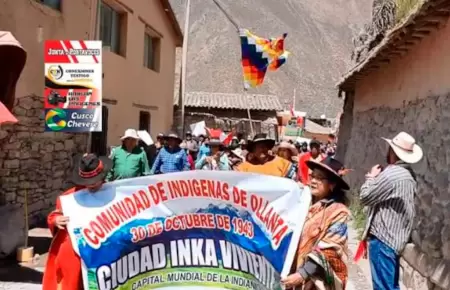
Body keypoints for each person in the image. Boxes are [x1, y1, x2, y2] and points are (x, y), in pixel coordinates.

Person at [359, 132, 422, 290]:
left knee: (383, 287)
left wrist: (371, 178)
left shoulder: (393, 174)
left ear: (393, 151)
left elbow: (365, 197)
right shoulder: (408, 175)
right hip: (395, 239)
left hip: (383, 240)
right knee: (390, 286)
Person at [43, 154, 110, 290]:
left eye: (94, 181)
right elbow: (55, 215)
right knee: (74, 282)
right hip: (76, 252)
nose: (91, 186)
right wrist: (55, 220)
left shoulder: (113, 193)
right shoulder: (69, 197)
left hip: (104, 250)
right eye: (88, 183)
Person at [282, 157, 351, 289]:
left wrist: (303, 274)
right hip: (290, 272)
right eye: (313, 176)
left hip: (315, 281)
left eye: (320, 178)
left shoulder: (337, 212)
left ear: (332, 184)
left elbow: (330, 250)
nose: (313, 181)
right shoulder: (303, 202)